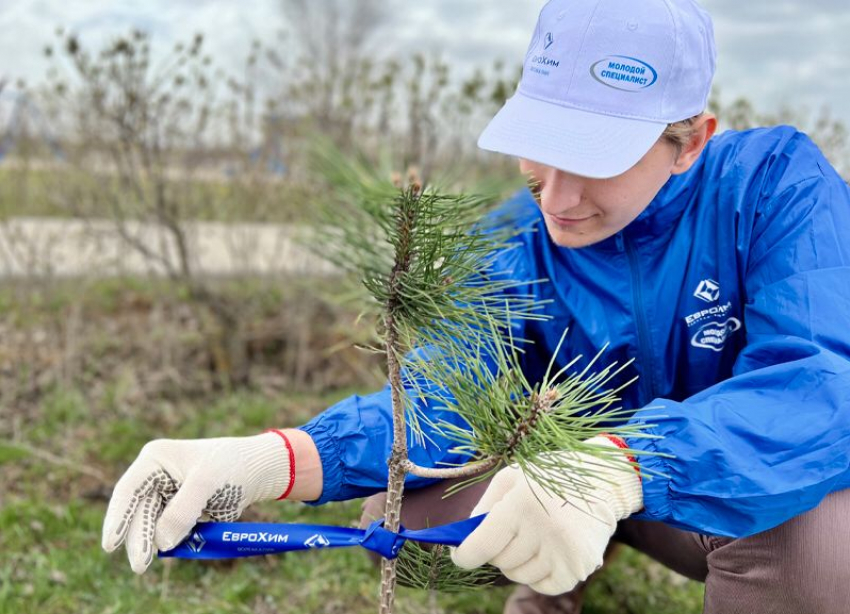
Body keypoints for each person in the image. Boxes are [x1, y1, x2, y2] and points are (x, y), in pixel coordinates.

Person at [102, 0, 850, 612]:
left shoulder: (774, 186)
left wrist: (620, 469)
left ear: (689, 142)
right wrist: (276, 457)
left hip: (732, 506)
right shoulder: (518, 239)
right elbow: (442, 390)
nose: (556, 199)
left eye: (596, 158)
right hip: (584, 488)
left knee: (810, 562)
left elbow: (821, 385)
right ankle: (554, 573)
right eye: (540, 149)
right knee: (403, 517)